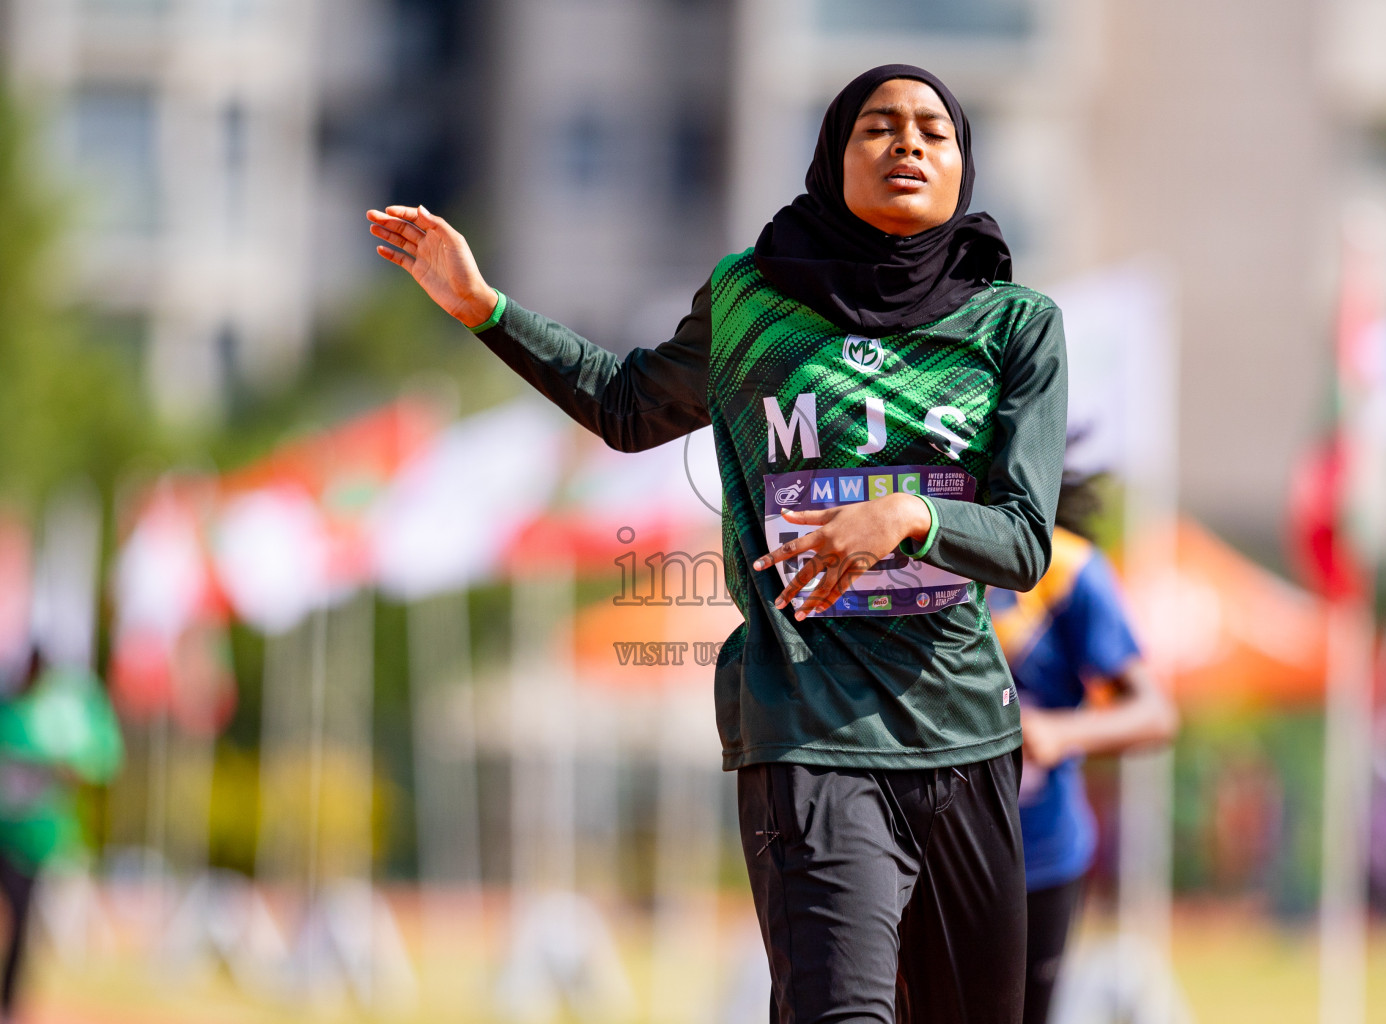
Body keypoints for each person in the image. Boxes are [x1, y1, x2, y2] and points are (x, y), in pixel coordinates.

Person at [369, 64, 1067, 1023]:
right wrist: (486, 308)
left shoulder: (1016, 325)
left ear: (963, 165)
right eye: (878, 126)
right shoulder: (752, 301)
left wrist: (909, 515)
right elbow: (626, 405)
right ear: (831, 156)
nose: (907, 143)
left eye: (932, 132)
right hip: (808, 727)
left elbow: (1026, 539)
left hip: (965, 737)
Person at [986, 472, 1179, 1024]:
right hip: (926, 848)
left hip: (1041, 859)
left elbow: (1156, 714)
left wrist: (1057, 733)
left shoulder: (1068, 571)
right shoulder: (912, 559)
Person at [0, 647, 122, 1023]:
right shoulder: (15, 716)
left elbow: (98, 762)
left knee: (21, 923)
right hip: (14, 834)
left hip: (28, 841)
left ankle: (9, 1004)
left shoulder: (52, 721)